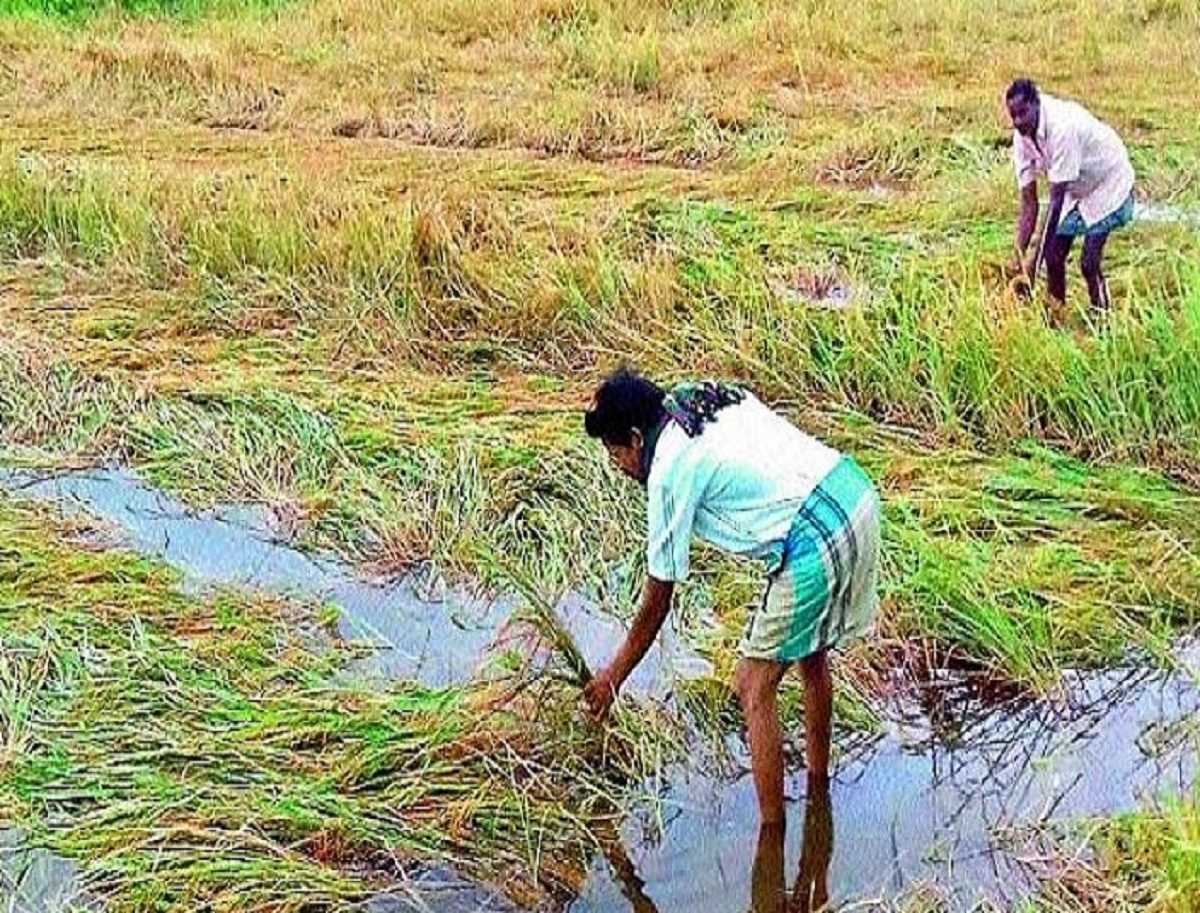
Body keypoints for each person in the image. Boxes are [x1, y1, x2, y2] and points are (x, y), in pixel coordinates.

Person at [582, 368, 881, 825]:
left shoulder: (667, 473)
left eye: (615, 452)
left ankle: (770, 836)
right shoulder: (699, 396)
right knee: (811, 654)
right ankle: (819, 798)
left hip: (815, 537)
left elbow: (657, 601)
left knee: (753, 682)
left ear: (637, 440)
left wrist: (612, 678)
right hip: (852, 493)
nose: (617, 467)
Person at [1006, 78, 1135, 320]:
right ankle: (1057, 318)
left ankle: (1103, 324)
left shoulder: (1062, 128)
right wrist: (1018, 258)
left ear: (1036, 104)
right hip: (1075, 187)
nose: (1018, 122)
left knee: (1088, 262)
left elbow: (1054, 203)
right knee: (1054, 256)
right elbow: (1029, 204)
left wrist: (1033, 265)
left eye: (1023, 113)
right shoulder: (1020, 136)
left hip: (1108, 181)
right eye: (1013, 116)